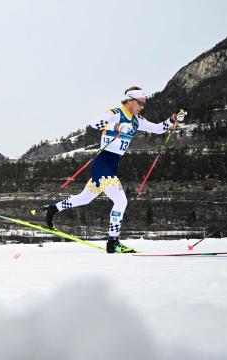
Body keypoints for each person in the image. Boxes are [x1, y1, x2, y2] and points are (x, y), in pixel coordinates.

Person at [44, 87, 187, 253]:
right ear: (130, 100)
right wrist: (117, 126)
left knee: (85, 198)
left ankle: (53, 208)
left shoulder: (137, 120)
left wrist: (173, 119)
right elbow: (94, 123)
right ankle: (113, 243)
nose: (142, 106)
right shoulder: (115, 113)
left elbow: (159, 128)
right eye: (140, 103)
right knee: (121, 201)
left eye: (144, 104)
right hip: (103, 163)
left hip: (111, 165)